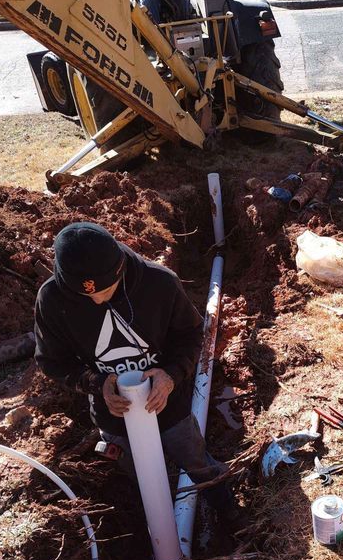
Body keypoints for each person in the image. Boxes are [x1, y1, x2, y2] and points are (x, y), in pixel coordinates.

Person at [34, 221, 240, 527]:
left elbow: (193, 334)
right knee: (141, 473)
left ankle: (227, 507)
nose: (99, 300)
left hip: (169, 403)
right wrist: (97, 383)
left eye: (106, 291)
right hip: (114, 413)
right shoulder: (52, 301)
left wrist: (170, 374)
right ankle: (161, 518)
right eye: (87, 296)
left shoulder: (159, 283)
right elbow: (52, 361)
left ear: (119, 270)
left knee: (194, 458)